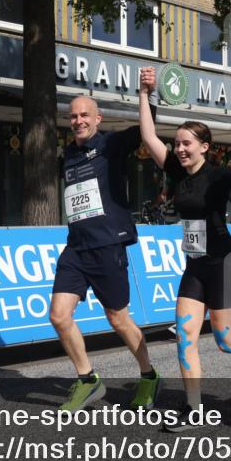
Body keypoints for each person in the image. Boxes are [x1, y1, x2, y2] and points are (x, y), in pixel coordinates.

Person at [137, 67, 231, 432]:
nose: (180, 148)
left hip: (224, 264)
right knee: (185, 336)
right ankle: (193, 408)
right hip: (195, 267)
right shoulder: (176, 171)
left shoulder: (218, 176)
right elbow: (147, 135)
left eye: (187, 143)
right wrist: (145, 93)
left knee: (226, 340)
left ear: (204, 146)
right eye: (178, 143)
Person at [49, 94, 162, 412]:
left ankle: (149, 375)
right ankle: (87, 380)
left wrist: (145, 94)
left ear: (98, 118)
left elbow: (145, 128)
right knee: (58, 315)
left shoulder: (111, 144)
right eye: (73, 116)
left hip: (107, 246)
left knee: (118, 318)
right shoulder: (69, 152)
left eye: (85, 115)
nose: (78, 121)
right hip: (76, 248)